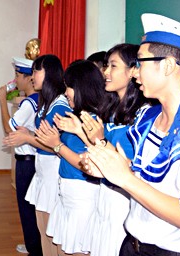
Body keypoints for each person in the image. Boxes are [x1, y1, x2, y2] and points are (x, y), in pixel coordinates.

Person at [84, 13, 180, 255]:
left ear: (168, 65)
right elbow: (149, 183)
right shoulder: (149, 118)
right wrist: (111, 169)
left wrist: (125, 178)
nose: (135, 73)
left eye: (140, 63)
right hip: (134, 245)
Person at [80, 44, 148, 256]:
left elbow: (132, 166)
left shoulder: (143, 114)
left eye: (113, 66)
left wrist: (99, 140)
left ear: (132, 71)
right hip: (105, 192)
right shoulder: (110, 108)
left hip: (124, 199)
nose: (105, 73)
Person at [35, 60, 106, 256]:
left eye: (69, 87)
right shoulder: (76, 115)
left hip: (82, 197)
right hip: (65, 193)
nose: (66, 93)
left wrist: (57, 144)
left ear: (82, 87)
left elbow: (88, 164)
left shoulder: (94, 120)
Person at [3, 54, 69, 256]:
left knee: (51, 235)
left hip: (51, 173)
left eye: (36, 71)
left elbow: (58, 147)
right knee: (43, 231)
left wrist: (28, 138)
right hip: (43, 172)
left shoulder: (59, 106)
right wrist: (29, 136)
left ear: (48, 73)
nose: (32, 77)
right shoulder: (48, 103)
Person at [0, 57, 42, 256]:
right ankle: (33, 244)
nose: (14, 80)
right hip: (33, 160)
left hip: (28, 162)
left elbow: (9, 128)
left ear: (28, 78)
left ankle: (34, 248)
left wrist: (1, 102)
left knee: (27, 209)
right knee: (31, 209)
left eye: (17, 76)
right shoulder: (37, 100)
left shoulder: (29, 104)